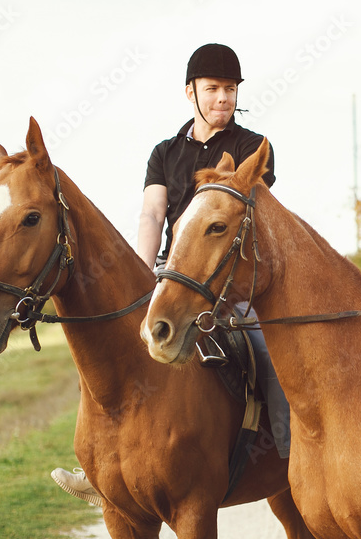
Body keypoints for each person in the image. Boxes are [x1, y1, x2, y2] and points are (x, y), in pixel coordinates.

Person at [52, 43, 291, 505]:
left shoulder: (251, 147)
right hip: (171, 275)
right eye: (213, 89)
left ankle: (290, 452)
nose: (224, 98)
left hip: (226, 278)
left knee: (266, 346)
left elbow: (253, 215)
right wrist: (143, 280)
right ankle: (101, 466)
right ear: (191, 93)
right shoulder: (164, 153)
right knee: (105, 349)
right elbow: (151, 215)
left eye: (230, 89)